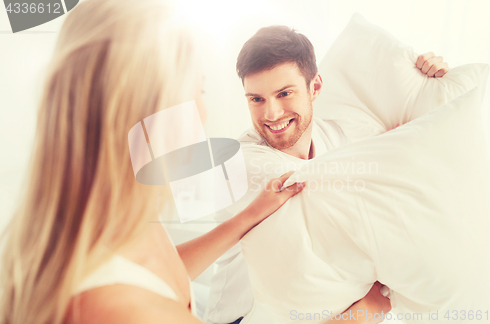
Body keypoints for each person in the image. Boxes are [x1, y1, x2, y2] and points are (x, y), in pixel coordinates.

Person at [0, 1, 395, 324]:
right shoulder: (120, 309)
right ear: (147, 112)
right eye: (197, 90)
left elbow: (164, 271)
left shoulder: (106, 221)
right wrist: (358, 318)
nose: (203, 112)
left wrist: (247, 217)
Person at [204, 26, 449, 324]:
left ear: (315, 88)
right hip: (244, 317)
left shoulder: (337, 134)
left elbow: (413, 137)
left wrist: (432, 82)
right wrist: (368, 310)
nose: (270, 114)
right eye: (256, 99)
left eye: (284, 93)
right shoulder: (244, 163)